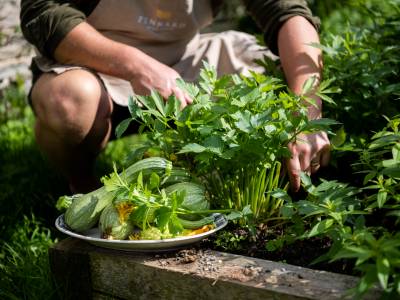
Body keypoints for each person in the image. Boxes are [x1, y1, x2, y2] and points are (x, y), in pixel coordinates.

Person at [20, 0, 330, 194]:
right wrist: (134, 65)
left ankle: (221, 185)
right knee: (70, 102)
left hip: (185, 59)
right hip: (93, 62)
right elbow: (42, 10)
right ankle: (83, 187)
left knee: (273, 77)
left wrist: (307, 113)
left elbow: (288, 13)